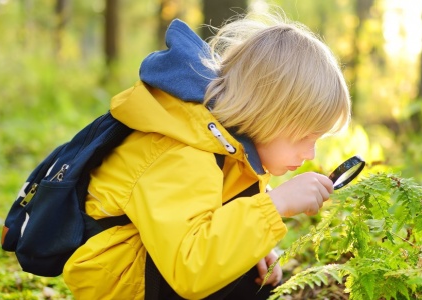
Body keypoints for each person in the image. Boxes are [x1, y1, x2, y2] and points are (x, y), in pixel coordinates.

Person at [62, 10, 351, 300]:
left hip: (160, 265)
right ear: (266, 112)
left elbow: (213, 216)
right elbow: (190, 267)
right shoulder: (183, 151)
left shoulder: (230, 148)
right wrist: (275, 205)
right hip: (124, 282)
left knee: (253, 273)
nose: (310, 151)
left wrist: (254, 247)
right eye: (304, 136)